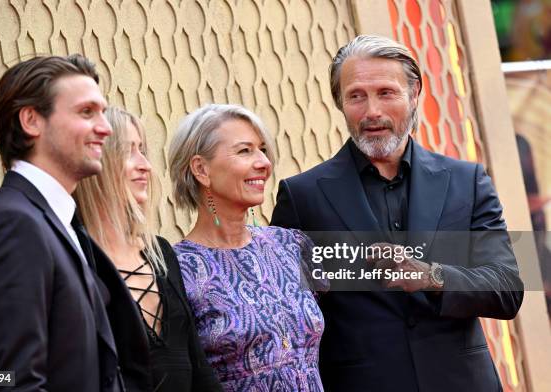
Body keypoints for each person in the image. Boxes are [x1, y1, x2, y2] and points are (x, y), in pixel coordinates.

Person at [270, 35, 524, 392]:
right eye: (356, 95)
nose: (372, 111)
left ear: (414, 92)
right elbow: (287, 313)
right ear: (340, 103)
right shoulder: (302, 196)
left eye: (386, 92)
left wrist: (433, 276)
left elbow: (506, 289)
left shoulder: (467, 182)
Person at [0, 55, 130, 391]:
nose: (105, 127)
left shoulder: (54, 219)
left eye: (102, 112)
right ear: (31, 121)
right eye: (86, 112)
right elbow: (9, 382)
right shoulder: (13, 223)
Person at [169, 104, 325, 391]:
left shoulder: (291, 245)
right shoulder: (178, 270)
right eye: (245, 151)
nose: (264, 162)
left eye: (262, 149)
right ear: (201, 170)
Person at [73, 107, 222, 391]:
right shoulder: (75, 259)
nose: (145, 165)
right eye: (129, 152)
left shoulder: (160, 252)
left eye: (143, 150)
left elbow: (199, 367)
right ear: (95, 162)